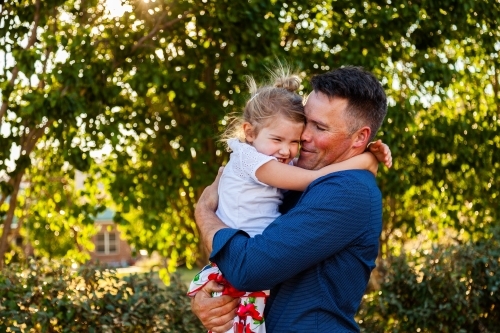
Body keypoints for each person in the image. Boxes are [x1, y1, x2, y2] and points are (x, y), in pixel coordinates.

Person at [187, 66, 390, 333]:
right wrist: (211, 301)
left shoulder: (348, 192)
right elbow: (246, 250)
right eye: (306, 121)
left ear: (360, 137)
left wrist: (203, 213)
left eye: (319, 127)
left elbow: (249, 268)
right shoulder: (298, 175)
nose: (303, 135)